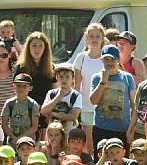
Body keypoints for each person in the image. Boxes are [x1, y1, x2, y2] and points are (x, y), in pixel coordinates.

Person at [89, 44, 137, 155]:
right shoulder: (96, 77)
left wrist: (130, 129)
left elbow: (135, 106)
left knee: (120, 164)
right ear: (102, 60)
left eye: (112, 59)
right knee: (101, 163)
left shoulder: (127, 77)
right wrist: (103, 81)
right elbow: (93, 100)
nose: (109, 63)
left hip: (122, 129)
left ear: (118, 60)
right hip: (101, 128)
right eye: (106, 59)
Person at [73, 23, 105, 155]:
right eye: (91, 36)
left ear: (103, 38)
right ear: (87, 39)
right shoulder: (81, 58)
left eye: (98, 36)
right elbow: (77, 86)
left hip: (104, 107)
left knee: (103, 140)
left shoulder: (106, 58)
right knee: (89, 141)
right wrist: (76, 107)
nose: (94, 39)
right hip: (86, 105)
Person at [13, 31, 56, 129]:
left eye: (41, 46)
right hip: (26, 114)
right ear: (28, 47)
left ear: (45, 48)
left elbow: (56, 92)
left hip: (46, 113)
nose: (37, 49)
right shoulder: (21, 68)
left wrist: (48, 109)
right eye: (34, 45)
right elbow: (16, 92)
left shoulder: (51, 68)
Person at [41, 63, 81, 134]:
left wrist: (53, 114)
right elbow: (43, 111)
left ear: (73, 79)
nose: (64, 80)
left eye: (67, 77)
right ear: (56, 77)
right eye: (61, 77)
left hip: (69, 133)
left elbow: (73, 116)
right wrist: (59, 96)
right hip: (53, 133)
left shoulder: (76, 95)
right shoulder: (51, 93)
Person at [1, 73, 40, 147]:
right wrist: (13, 137)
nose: (21, 89)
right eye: (18, 86)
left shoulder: (33, 104)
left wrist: (20, 138)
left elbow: (34, 127)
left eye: (25, 86)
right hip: (12, 141)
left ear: (30, 88)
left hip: (28, 142)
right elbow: (4, 124)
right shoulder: (9, 103)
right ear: (13, 87)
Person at [0, 42, 14, 125]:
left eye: (4, 55)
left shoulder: (16, 73)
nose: (1, 58)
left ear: (9, 55)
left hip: (14, 120)